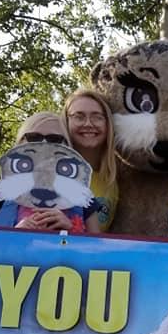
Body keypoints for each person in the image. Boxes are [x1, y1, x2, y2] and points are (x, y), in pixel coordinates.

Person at [0, 111, 104, 233]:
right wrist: (14, 234)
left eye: (54, 139)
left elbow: (98, 250)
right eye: (34, 137)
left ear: (67, 147)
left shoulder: (83, 197)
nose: (44, 143)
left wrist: (71, 230)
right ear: (21, 142)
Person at [61, 88, 119, 232]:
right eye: (79, 116)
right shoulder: (51, 173)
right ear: (66, 122)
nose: (88, 124)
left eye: (97, 117)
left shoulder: (115, 178)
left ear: (108, 124)